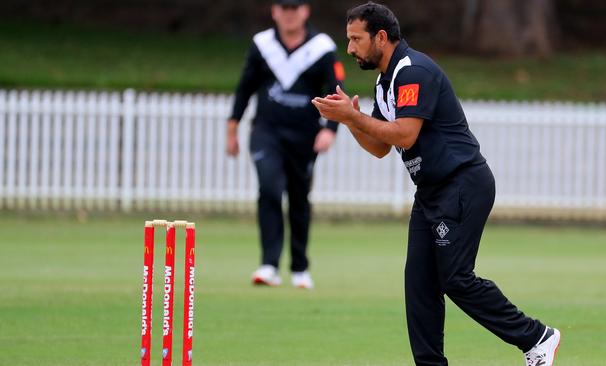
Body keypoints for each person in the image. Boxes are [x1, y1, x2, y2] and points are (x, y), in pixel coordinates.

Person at [312, 2, 561, 365]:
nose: (350, 48)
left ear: (381, 37)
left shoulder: (413, 72)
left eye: (356, 39)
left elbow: (406, 134)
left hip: (461, 184)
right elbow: (382, 147)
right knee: (420, 286)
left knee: (456, 278)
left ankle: (537, 337)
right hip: (431, 192)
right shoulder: (386, 81)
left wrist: (354, 116)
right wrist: (351, 121)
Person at [227, 0, 345, 289]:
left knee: (298, 197)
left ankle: (300, 268)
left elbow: (336, 90)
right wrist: (232, 129)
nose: (289, 14)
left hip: (305, 135)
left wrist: (330, 129)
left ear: (305, 11)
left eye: (295, 8)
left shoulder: (321, 47)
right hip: (266, 131)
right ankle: (268, 265)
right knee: (269, 188)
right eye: (284, 8)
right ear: (274, 11)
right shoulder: (262, 45)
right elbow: (245, 88)